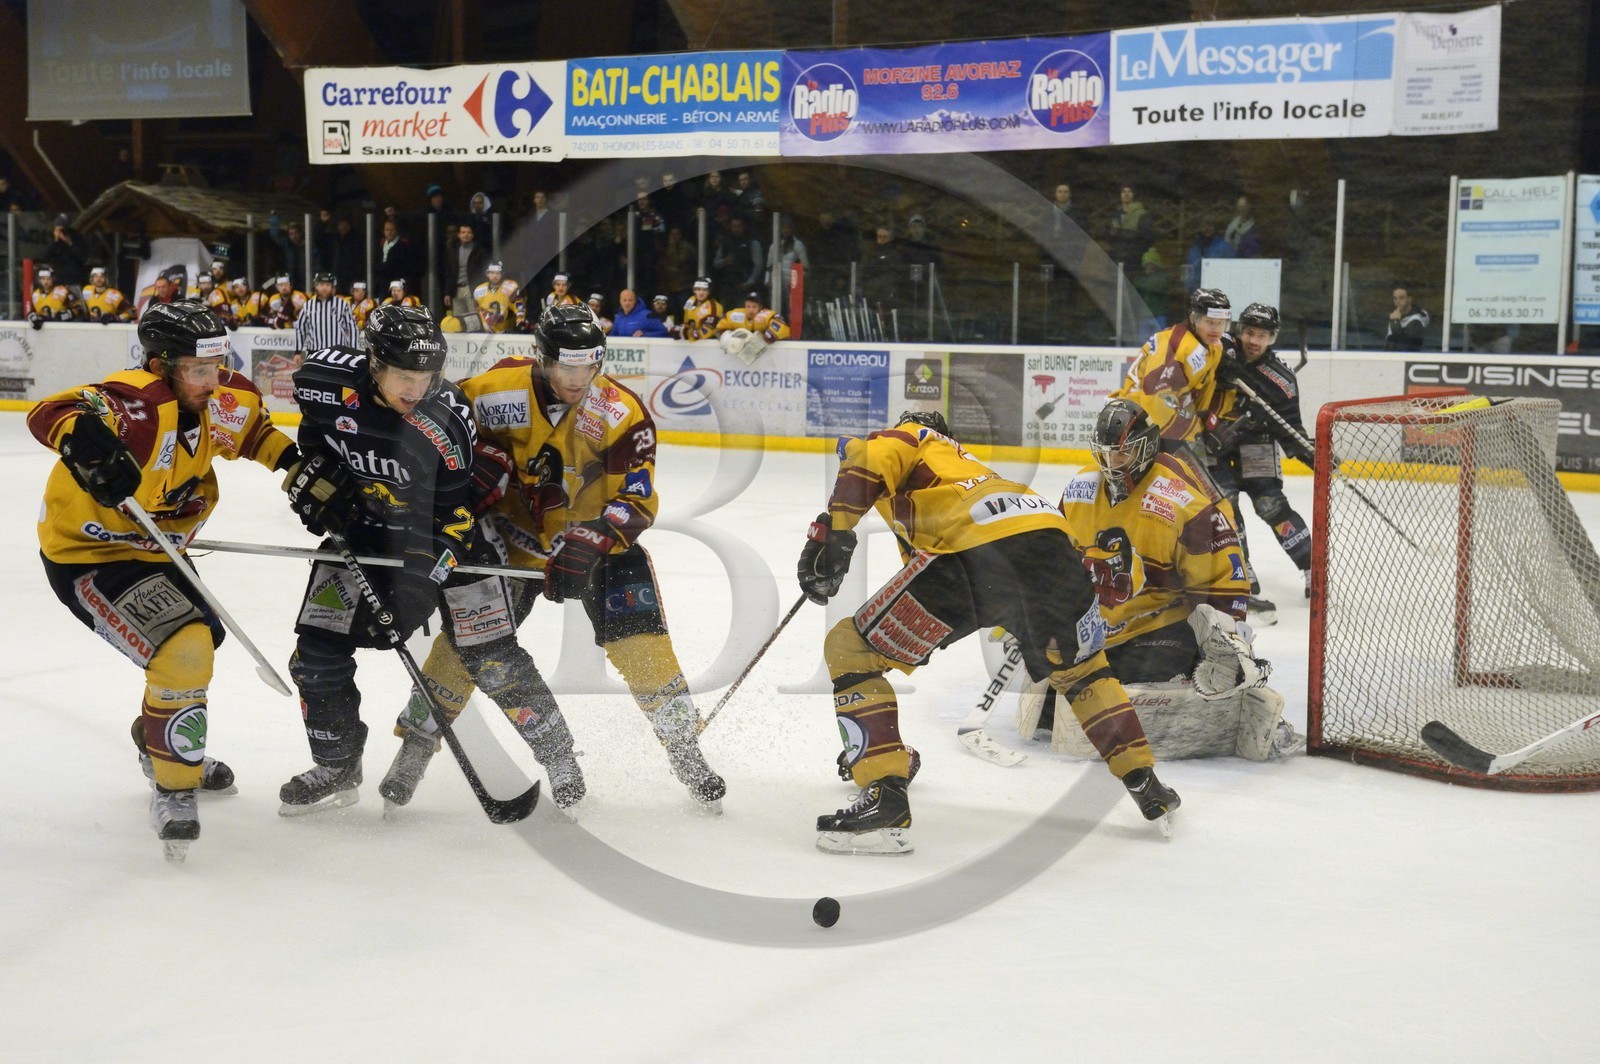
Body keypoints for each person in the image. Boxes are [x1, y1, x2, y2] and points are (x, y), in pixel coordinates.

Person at [376, 305, 726, 811]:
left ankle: (685, 749)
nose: (579, 379)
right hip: (506, 543)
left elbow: (637, 499)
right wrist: (473, 469)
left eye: (589, 365)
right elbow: (432, 426)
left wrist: (596, 537)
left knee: (642, 646)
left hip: (599, 547)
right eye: (566, 366)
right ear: (541, 358)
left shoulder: (620, 411)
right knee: (464, 648)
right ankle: (415, 746)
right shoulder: (493, 391)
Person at [795, 410, 1181, 855]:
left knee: (849, 649)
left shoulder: (915, 437)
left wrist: (833, 536)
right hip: (1053, 546)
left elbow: (865, 457)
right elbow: (921, 572)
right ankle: (1145, 783)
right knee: (1083, 672)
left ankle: (886, 797)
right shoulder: (965, 471)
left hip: (978, 556)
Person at [277, 305, 576, 814]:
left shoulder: (447, 418)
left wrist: (418, 587)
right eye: (404, 377)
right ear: (374, 364)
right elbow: (314, 442)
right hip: (362, 535)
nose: (416, 390)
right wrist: (317, 485)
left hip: (449, 545)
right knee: (315, 657)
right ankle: (337, 766)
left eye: (426, 377)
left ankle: (561, 758)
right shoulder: (321, 379)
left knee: (491, 657)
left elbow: (455, 517)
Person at [29, 301, 299, 859]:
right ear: (159, 366)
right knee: (184, 651)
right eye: (198, 370)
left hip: (161, 549)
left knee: (199, 646)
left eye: (218, 365)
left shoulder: (221, 395)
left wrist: (301, 472)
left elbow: (254, 434)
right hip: (92, 554)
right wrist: (83, 439)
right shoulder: (134, 404)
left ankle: (159, 742)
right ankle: (175, 788)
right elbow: (50, 411)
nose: (213, 381)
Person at [1020, 398, 1280, 759]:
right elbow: (1059, 562)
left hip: (1163, 629)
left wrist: (1226, 642)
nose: (1112, 464)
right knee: (1048, 688)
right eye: (1105, 454)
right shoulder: (1080, 490)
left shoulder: (1181, 502)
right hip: (1102, 627)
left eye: (1122, 454)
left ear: (1146, 447)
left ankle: (1197, 681)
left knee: (1117, 687)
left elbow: (1225, 579)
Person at [1202, 303, 1315, 607]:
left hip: (1256, 444)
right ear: (1239, 330)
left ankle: (1312, 567)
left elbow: (1290, 426)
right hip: (1212, 442)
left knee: (1271, 505)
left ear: (1272, 338)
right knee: (1224, 507)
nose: (1254, 341)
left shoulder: (1281, 378)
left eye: (1262, 336)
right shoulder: (1217, 350)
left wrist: (1307, 450)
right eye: (1249, 332)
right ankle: (1240, 569)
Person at [1112, 287, 1231, 443]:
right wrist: (1188, 431)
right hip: (1136, 416)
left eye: (1221, 323)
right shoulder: (1181, 347)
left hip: (1161, 416)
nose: (1216, 329)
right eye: (1209, 322)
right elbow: (1157, 395)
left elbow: (1199, 394)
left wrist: (1201, 426)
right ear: (1193, 318)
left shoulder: (1214, 347)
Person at [294, 272, 360, 356]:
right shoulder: (308, 305)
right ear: (316, 286)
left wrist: (353, 350)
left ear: (332, 287)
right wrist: (298, 351)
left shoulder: (342, 305)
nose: (324, 288)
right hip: (314, 352)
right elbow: (301, 328)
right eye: (321, 284)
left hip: (337, 352)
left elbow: (352, 328)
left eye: (328, 285)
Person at [442, 222, 489, 329]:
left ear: (472, 235)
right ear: (459, 235)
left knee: (474, 318)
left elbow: (483, 273)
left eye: (468, 232)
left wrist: (481, 291)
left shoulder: (479, 251)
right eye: (463, 232)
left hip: (472, 288)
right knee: (458, 320)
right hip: (457, 289)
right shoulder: (453, 250)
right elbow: (449, 273)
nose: (466, 235)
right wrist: (447, 292)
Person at [716, 290, 791, 344]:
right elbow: (720, 326)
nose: (751, 310)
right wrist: (726, 336)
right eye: (748, 306)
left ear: (760, 307)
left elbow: (783, 328)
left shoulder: (766, 315)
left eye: (754, 307)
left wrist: (769, 335)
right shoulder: (736, 314)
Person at [1107, 183, 1152, 273]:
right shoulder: (1116, 213)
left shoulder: (1142, 214)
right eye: (1123, 192)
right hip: (1116, 256)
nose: (1126, 194)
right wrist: (1111, 233)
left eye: (1129, 191)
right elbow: (1110, 236)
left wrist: (1123, 233)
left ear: (1134, 194)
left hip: (1133, 258)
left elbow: (1147, 237)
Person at [473, 260, 520, 334]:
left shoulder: (510, 287)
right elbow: (477, 311)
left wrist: (519, 321)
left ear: (502, 274)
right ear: (487, 274)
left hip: (504, 331)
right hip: (484, 331)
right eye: (492, 273)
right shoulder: (479, 290)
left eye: (497, 273)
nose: (494, 276)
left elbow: (519, 307)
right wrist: (483, 324)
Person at [1385, 287, 1429, 351]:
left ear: (1409, 299)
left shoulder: (1416, 322)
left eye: (1401, 298)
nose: (1397, 302)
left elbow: (1402, 347)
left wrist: (1395, 322)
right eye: (1395, 298)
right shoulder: (1394, 315)